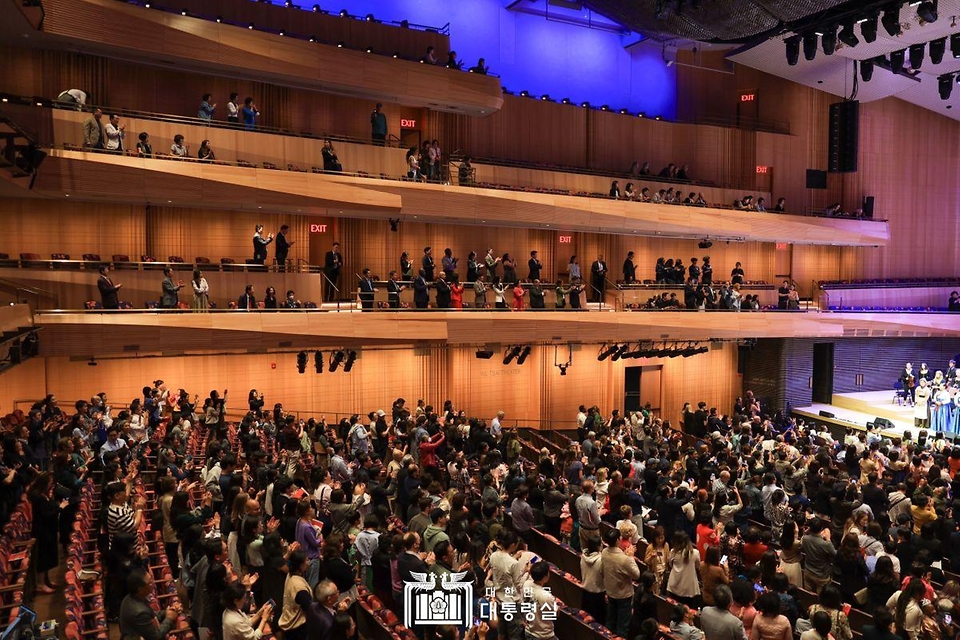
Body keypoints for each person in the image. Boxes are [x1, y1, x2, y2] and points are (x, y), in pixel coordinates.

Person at [120, 570, 180, 640]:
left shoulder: (130, 598)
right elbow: (156, 636)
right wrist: (169, 619)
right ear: (140, 589)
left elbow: (151, 615)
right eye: (150, 582)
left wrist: (166, 612)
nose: (153, 583)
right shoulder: (140, 612)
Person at [602, 527, 640, 637]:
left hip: (610, 591)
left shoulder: (604, 552)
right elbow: (636, 574)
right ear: (618, 540)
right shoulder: (624, 559)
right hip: (623, 595)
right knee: (622, 627)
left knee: (610, 621)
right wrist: (631, 557)